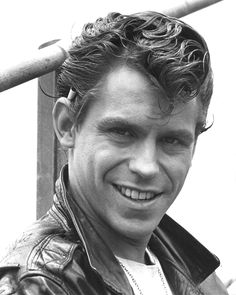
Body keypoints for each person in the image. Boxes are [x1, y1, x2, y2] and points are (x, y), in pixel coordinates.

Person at [0, 11, 228, 295]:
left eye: (172, 140)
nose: (147, 167)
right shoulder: (39, 285)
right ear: (67, 125)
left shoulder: (193, 269)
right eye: (123, 133)